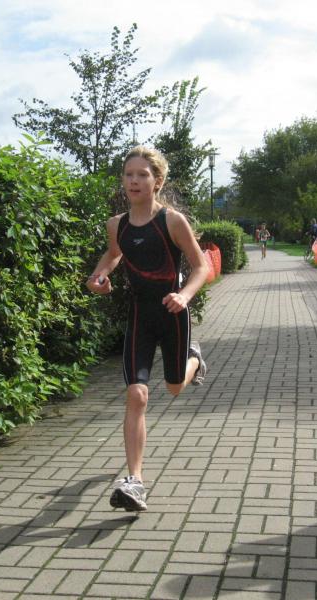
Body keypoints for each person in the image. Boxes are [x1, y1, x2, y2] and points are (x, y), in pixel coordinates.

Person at [86, 146, 209, 512]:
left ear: (158, 181)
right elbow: (114, 254)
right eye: (129, 174)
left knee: (174, 387)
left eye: (142, 174)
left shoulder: (172, 221)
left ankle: (194, 362)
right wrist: (99, 276)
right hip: (140, 316)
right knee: (137, 395)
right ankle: (135, 481)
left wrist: (184, 295)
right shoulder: (117, 225)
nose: (134, 181)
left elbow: (200, 266)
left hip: (173, 314)